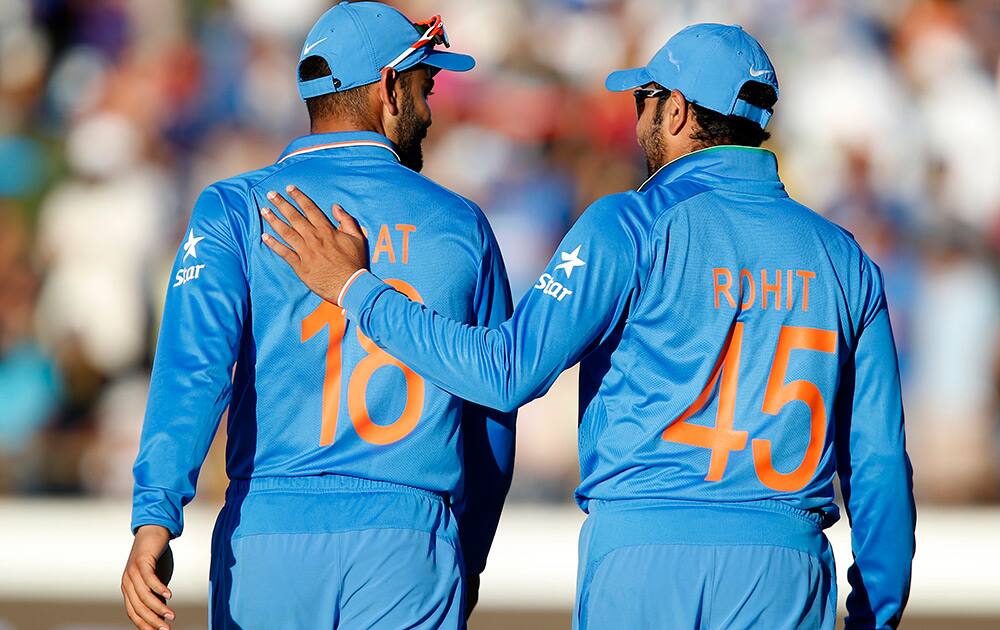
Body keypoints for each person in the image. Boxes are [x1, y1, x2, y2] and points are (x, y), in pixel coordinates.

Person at [263, 23, 916, 629]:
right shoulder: (846, 259)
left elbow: (504, 373)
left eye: (644, 101)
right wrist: (876, 610)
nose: (637, 120)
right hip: (786, 566)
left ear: (678, 111)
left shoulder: (630, 225)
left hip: (645, 559)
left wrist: (356, 290)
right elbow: (879, 463)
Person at [122, 3, 515, 629]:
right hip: (409, 542)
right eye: (425, 85)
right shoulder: (462, 225)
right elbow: (493, 416)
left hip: (268, 534)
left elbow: (193, 372)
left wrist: (154, 516)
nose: (430, 107)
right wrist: (468, 558)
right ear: (389, 87)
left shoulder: (234, 207)